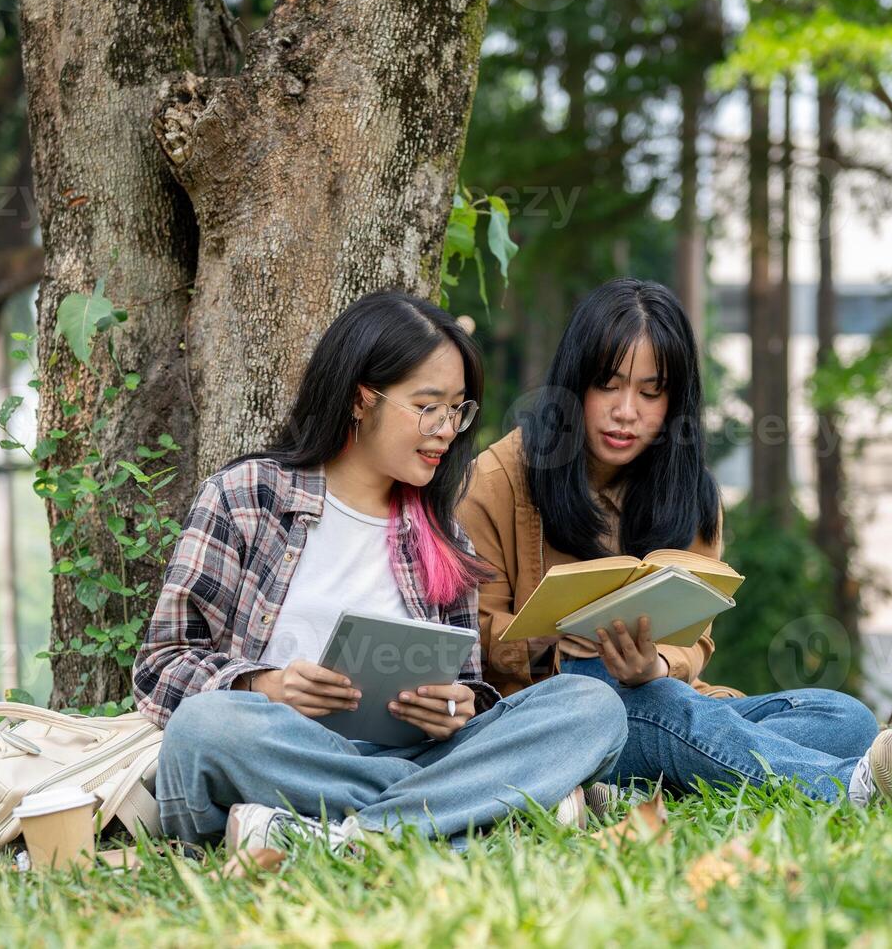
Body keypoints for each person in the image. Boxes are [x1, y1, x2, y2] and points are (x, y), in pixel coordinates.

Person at [137, 291, 629, 855]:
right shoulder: (248, 496)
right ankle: (470, 819)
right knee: (207, 730)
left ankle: (340, 838)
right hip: (283, 752)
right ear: (360, 399)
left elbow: (462, 685)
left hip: (416, 757)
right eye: (428, 406)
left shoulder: (444, 534)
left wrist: (455, 708)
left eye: (458, 410)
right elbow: (160, 667)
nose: (447, 429)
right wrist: (264, 686)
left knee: (590, 707)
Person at [457, 278, 892, 808]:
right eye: (608, 385)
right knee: (654, 711)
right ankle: (853, 786)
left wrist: (653, 667)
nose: (626, 411)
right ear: (574, 385)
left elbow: (694, 638)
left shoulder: (689, 493)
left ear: (674, 400)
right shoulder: (500, 477)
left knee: (845, 719)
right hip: (552, 716)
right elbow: (465, 637)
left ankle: (629, 786)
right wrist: (554, 637)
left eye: (650, 392)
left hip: (656, 696)